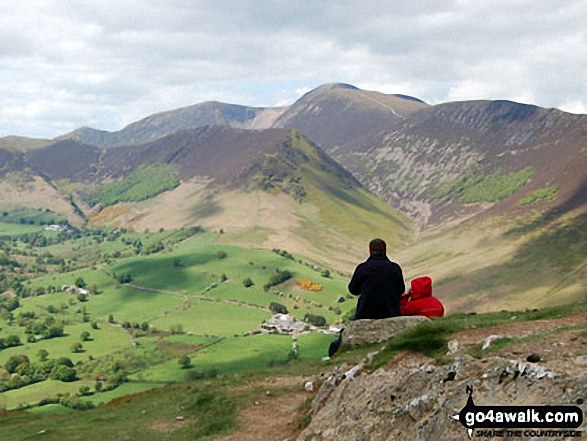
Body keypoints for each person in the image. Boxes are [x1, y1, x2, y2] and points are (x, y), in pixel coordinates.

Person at [348, 238, 405, 320]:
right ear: (385, 250)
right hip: (391, 313)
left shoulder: (362, 268)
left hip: (366, 314)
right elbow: (401, 290)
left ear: (370, 251)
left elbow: (353, 289)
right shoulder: (394, 268)